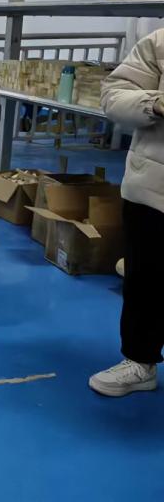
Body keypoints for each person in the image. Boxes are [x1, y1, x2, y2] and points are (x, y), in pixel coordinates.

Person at [89, 27, 164, 396]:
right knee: (145, 279)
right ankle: (140, 361)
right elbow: (114, 95)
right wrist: (155, 104)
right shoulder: (159, 43)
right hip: (155, 188)